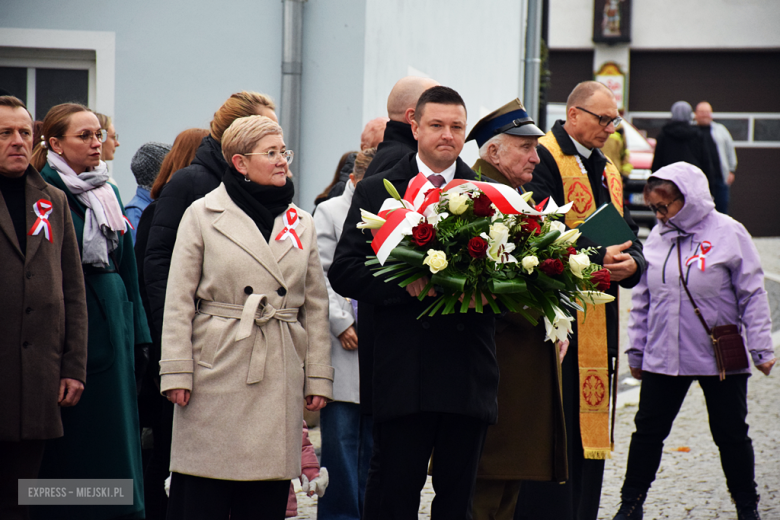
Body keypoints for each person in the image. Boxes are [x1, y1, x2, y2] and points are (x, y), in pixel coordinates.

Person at [330, 86, 499, 519]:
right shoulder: (377, 191)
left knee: (457, 500)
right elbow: (345, 269)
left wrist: (491, 288)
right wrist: (404, 284)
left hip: (467, 368)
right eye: (437, 125)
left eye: (456, 127)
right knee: (393, 496)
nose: (448, 135)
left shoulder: (492, 194)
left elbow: (517, 273)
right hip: (406, 368)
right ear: (415, 127)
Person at [160, 114, 333, 520]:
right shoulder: (202, 214)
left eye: (283, 152)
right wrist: (176, 371)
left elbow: (316, 307)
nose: (282, 162)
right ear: (240, 162)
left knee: (264, 495)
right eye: (270, 153)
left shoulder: (301, 222)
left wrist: (318, 376)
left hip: (278, 367)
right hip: (215, 366)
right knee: (204, 490)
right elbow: (178, 299)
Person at [612, 161, 775, 520]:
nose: (658, 214)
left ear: (690, 198)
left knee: (731, 434)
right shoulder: (657, 236)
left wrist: (761, 347)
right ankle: (631, 503)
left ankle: (747, 506)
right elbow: (643, 300)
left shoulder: (729, 232)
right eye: (653, 207)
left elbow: (752, 294)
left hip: (718, 355)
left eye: (664, 206)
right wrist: (636, 350)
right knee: (648, 432)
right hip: (663, 356)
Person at [519, 81, 647, 520]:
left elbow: (625, 231)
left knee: (587, 439)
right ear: (574, 115)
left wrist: (636, 264)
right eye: (603, 119)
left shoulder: (608, 168)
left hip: (599, 321)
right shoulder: (544, 159)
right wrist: (596, 257)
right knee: (555, 431)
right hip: (556, 322)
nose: (611, 129)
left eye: (615, 120)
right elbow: (536, 234)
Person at [29, 103, 151, 520]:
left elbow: (127, 265)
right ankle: (76, 509)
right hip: (77, 324)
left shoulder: (107, 191)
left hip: (113, 319)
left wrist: (139, 333)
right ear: (55, 143)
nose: (96, 143)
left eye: (98, 134)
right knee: (82, 435)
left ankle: (119, 509)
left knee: (117, 430)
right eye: (84, 136)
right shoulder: (45, 191)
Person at [465, 99, 568, 520]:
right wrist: (542, 312)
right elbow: (484, 284)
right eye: (525, 147)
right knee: (487, 487)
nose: (536, 156)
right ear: (494, 152)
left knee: (507, 490)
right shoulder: (477, 197)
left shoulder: (516, 195)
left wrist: (556, 318)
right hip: (497, 367)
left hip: (519, 368)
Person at [144, 91, 276, 384]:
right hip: (202, 344)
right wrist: (175, 344)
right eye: (265, 127)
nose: (275, 137)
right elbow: (160, 264)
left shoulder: (263, 187)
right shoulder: (190, 182)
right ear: (237, 133)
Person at [0, 95, 88, 520]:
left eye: (23, 132)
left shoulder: (51, 199)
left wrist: (73, 366)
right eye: (5, 133)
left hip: (37, 377)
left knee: (21, 498)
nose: (18, 141)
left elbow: (72, 288)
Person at [133, 127, 208, 520]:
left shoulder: (160, 209)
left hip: (163, 343)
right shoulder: (161, 213)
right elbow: (154, 278)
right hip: (164, 347)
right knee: (163, 447)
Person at [313, 147, 377, 520]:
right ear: (353, 180)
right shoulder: (331, 211)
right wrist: (342, 323)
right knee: (340, 441)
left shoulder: (387, 211)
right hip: (344, 343)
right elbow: (321, 274)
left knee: (372, 445)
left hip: (379, 341)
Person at [651, 101, 722, 199]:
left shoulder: (664, 135)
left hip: (669, 184)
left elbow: (657, 163)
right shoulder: (697, 135)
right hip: (693, 184)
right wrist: (710, 190)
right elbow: (706, 163)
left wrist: (654, 186)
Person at [695, 101, 737, 214]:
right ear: (695, 114)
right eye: (701, 112)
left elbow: (729, 149)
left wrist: (731, 170)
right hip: (698, 182)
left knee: (721, 210)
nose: (704, 115)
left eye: (707, 112)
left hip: (719, 178)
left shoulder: (720, 130)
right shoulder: (691, 131)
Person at [125, 142, 171, 243]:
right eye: (171, 167)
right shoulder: (135, 212)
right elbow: (136, 255)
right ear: (159, 174)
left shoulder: (165, 203)